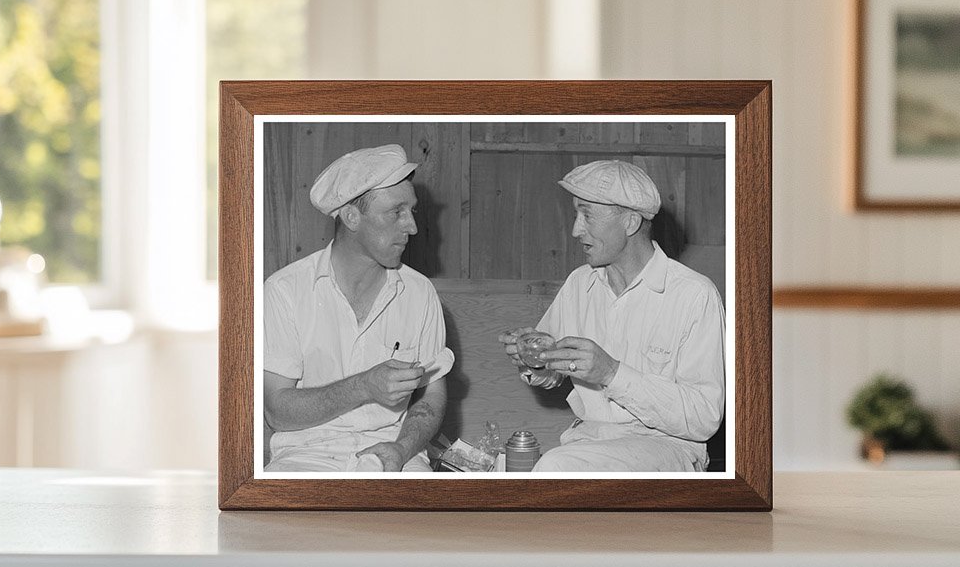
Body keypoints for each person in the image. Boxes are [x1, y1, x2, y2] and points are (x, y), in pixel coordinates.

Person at [500, 159, 725, 472]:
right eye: (576, 213)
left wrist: (610, 372)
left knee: (556, 468)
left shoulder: (694, 296)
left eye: (587, 214)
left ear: (630, 223)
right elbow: (551, 374)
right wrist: (535, 356)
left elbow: (703, 419)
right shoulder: (580, 284)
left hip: (667, 448)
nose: (576, 229)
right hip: (589, 440)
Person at [263, 144, 453, 472]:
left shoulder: (420, 292)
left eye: (412, 211)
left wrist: (401, 449)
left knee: (424, 518)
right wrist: (364, 385)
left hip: (398, 455)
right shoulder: (285, 290)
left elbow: (432, 396)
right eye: (396, 212)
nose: (412, 227)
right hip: (307, 453)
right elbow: (277, 411)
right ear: (352, 216)